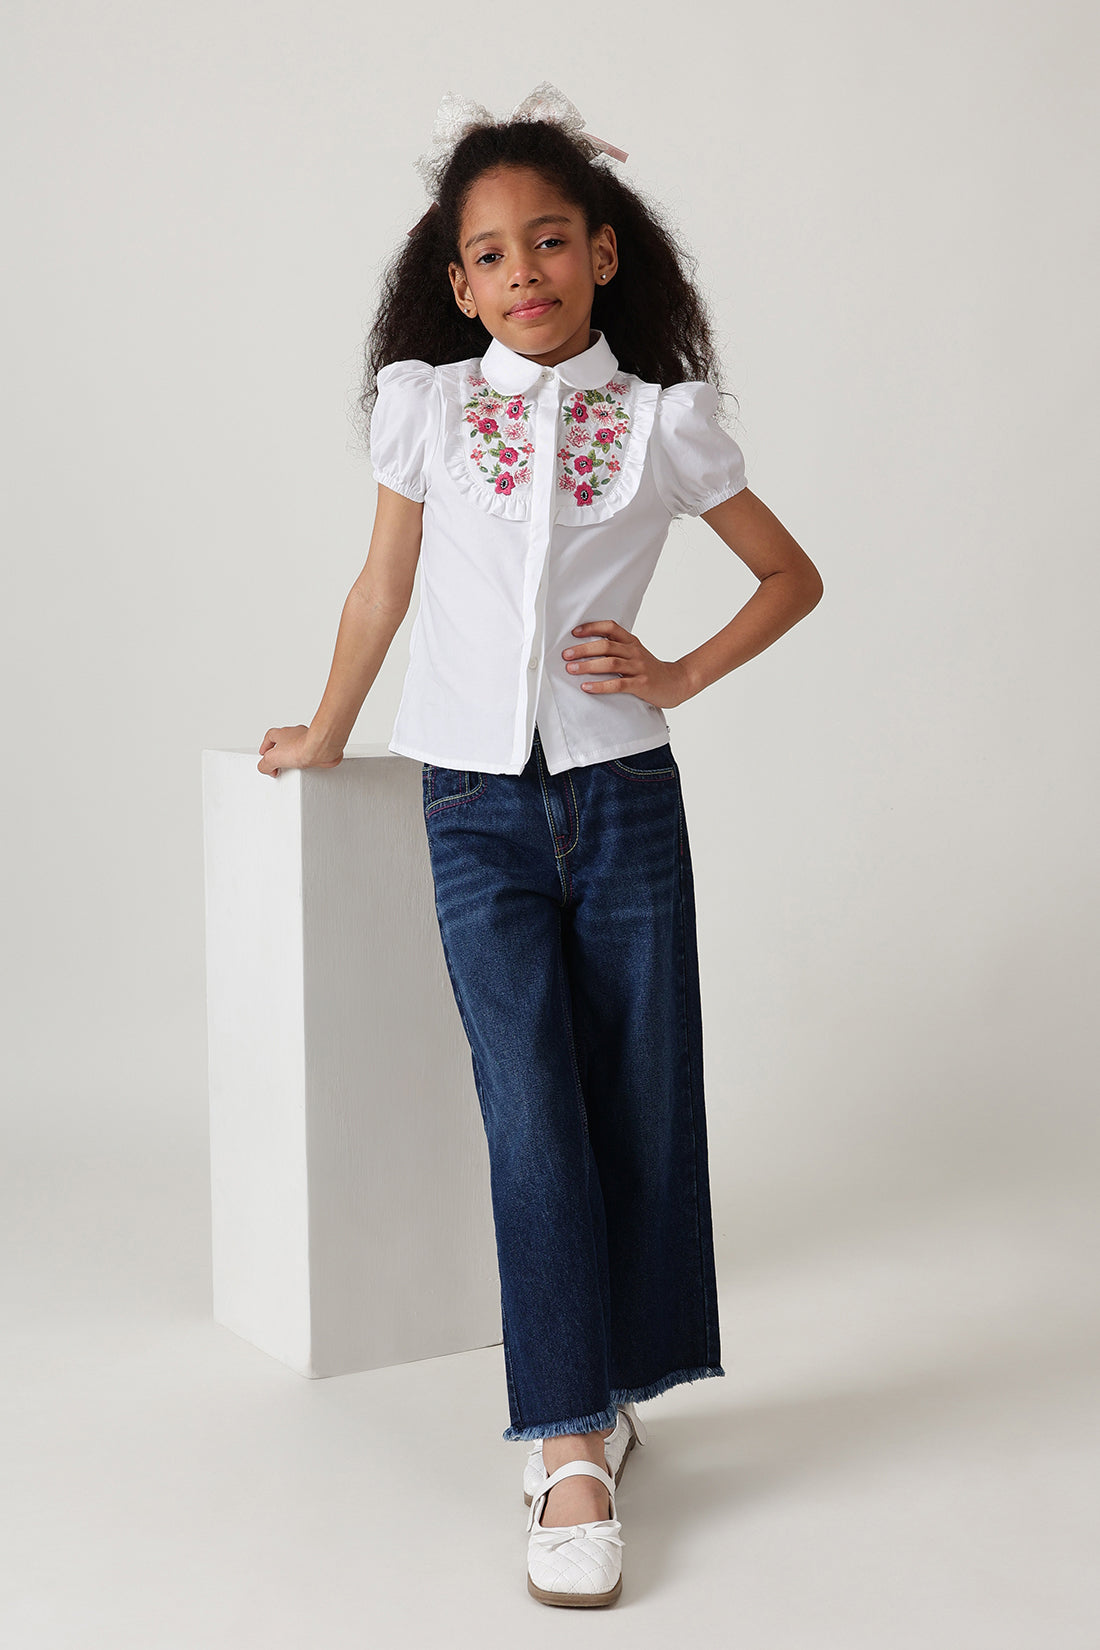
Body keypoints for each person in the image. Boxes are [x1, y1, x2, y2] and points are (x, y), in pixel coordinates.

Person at [258, 81, 824, 1609]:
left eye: (553, 240)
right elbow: (383, 588)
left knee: (640, 1103)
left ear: (604, 253)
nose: (527, 272)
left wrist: (678, 673)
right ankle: (568, 1440)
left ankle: (616, 1387)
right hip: (473, 807)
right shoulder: (431, 409)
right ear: (458, 283)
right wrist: (328, 730)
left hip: (625, 800)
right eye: (494, 254)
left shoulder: (662, 426)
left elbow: (790, 575)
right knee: (532, 1115)